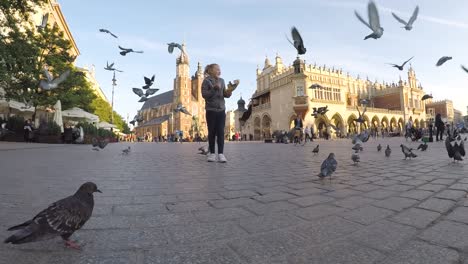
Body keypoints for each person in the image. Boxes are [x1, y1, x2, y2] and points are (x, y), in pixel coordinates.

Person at [202, 63, 235, 163]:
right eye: (217, 69)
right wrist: (213, 89)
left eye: (219, 69)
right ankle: (212, 153)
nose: (219, 70)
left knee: (221, 132)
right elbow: (204, 95)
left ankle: (221, 154)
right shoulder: (206, 81)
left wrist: (230, 91)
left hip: (221, 110)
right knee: (211, 132)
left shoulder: (222, 80)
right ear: (211, 71)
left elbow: (224, 94)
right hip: (211, 110)